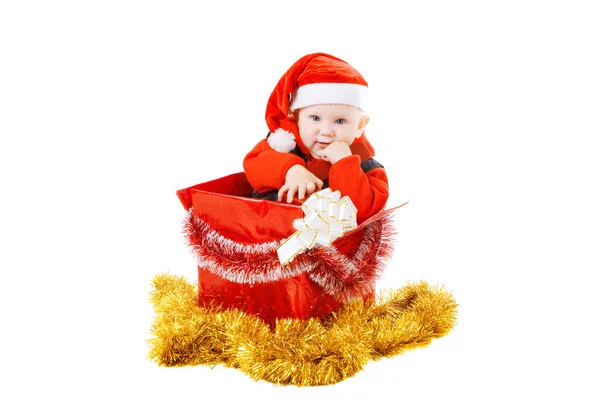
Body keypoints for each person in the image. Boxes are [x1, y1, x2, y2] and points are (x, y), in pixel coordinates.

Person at [243, 52, 389, 223]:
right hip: (267, 234)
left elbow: (362, 213)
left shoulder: (368, 167)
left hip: (330, 246)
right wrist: (290, 170)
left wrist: (345, 163)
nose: (326, 131)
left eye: (340, 121)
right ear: (297, 117)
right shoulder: (282, 143)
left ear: (359, 125)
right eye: (315, 118)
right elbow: (253, 165)